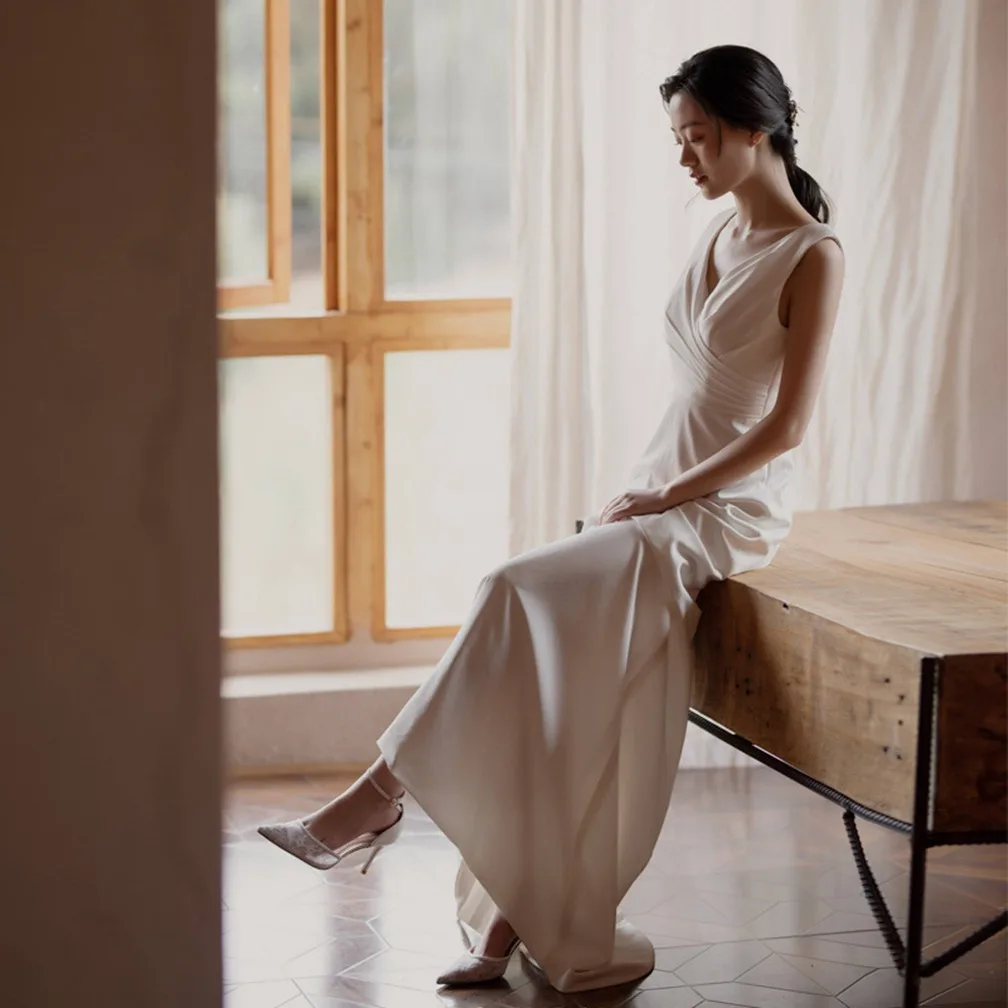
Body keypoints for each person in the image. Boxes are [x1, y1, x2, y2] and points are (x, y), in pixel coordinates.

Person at [258, 44, 845, 994]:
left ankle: (371, 801)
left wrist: (668, 496)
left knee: (504, 588)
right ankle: (496, 928)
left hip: (722, 510)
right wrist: (648, 486)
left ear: (757, 128)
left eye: (698, 138)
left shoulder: (813, 255)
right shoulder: (713, 235)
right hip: (656, 488)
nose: (685, 158)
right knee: (540, 683)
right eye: (677, 139)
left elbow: (785, 426)